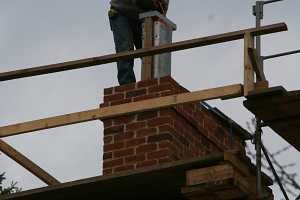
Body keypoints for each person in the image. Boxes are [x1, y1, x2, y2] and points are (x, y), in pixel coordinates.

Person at [109, 0, 169, 85]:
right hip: (121, 11)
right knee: (125, 49)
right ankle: (127, 87)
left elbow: (163, 4)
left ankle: (153, 84)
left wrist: (160, 14)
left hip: (143, 16)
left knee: (150, 53)